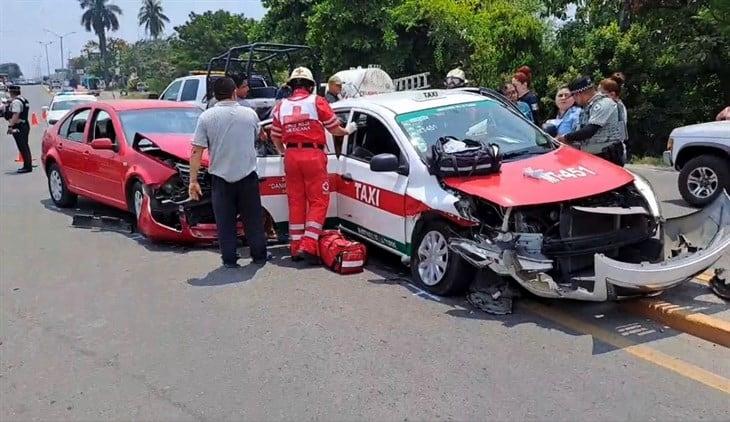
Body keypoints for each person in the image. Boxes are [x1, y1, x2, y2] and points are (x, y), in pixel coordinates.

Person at [269, 67, 358, 263]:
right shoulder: (317, 101)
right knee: (318, 200)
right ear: (310, 86)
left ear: (291, 86)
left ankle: (295, 247)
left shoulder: (280, 106)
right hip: (313, 155)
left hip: (291, 155)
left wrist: (285, 153)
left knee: (296, 202)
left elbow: (274, 136)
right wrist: (348, 130)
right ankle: (308, 245)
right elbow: (334, 129)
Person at [189, 77, 270, 268]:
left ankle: (229, 260)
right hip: (247, 177)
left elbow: (196, 150)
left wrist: (193, 180)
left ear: (215, 96)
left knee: (225, 222)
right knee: (253, 220)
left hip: (221, 179)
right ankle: (259, 256)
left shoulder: (206, 117)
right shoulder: (250, 114)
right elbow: (260, 137)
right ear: (234, 92)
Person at [557, 76, 624, 165]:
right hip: (593, 157)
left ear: (578, 94)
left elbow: (589, 131)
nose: (574, 100)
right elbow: (580, 133)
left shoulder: (604, 104)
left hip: (608, 157)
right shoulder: (587, 107)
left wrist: (565, 137)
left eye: (573, 96)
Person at [599, 74, 629, 164]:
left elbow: (621, 133)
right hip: (614, 151)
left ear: (612, 94)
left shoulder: (616, 107)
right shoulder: (618, 105)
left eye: (601, 94)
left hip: (612, 152)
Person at [5, 85, 32, 173]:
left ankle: (27, 166)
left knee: (22, 147)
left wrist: (10, 126)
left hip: (19, 126)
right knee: (25, 146)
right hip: (25, 125)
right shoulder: (23, 99)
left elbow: (16, 114)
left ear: (11, 92)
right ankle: (28, 163)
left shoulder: (16, 102)